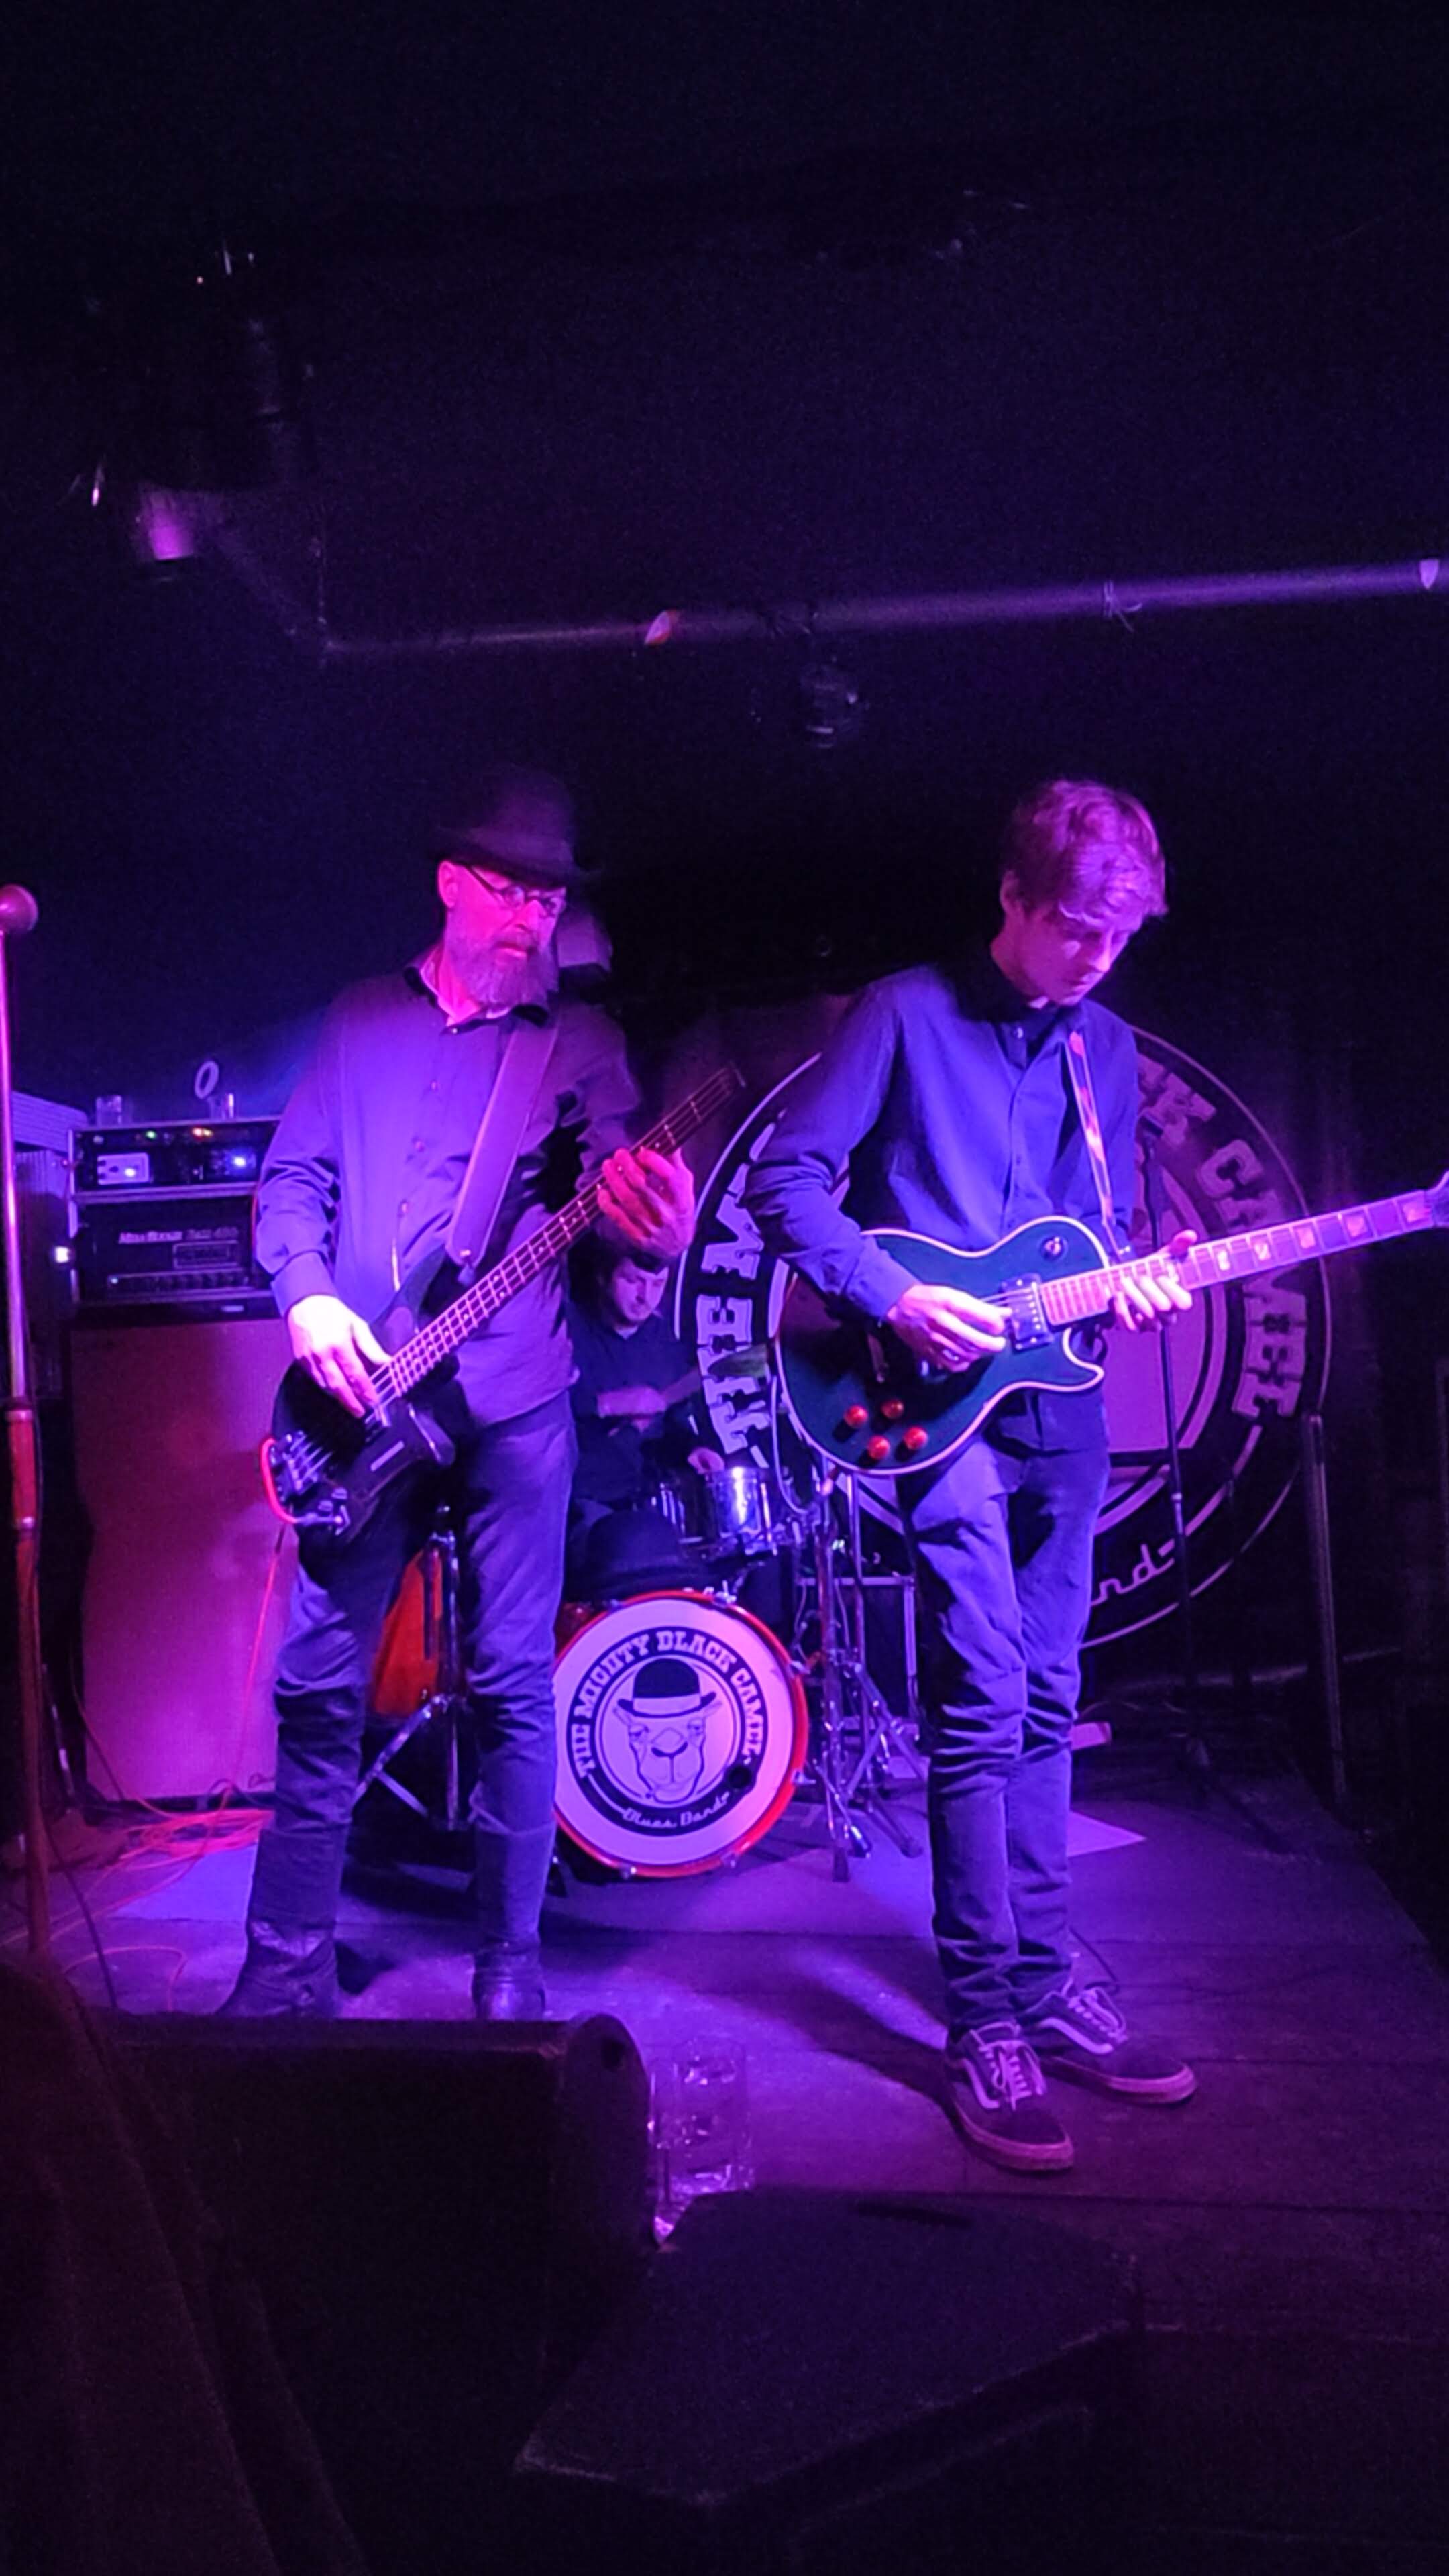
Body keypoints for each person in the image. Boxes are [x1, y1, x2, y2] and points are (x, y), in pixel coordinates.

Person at [747, 780, 1197, 2174]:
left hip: (1059, 1402)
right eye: (1076, 930)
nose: (1096, 960)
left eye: (1119, 940)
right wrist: (889, 1292)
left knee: (1053, 1695)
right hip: (929, 1401)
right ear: (1011, 897)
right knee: (984, 1686)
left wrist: (1135, 1285)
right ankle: (985, 2016)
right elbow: (788, 1183)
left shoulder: (1106, 1047)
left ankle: (1049, 1979)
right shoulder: (901, 1014)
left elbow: (1092, 1232)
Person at [221, 767, 694, 2023]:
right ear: (448, 883)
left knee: (513, 1687)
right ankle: (283, 1968)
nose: (532, 918)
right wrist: (306, 1297)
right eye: (510, 891)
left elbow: (619, 1209)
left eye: (549, 900)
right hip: (367, 1400)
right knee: (319, 1685)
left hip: (515, 1405)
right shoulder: (359, 1020)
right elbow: (291, 1185)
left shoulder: (578, 1045)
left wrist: (654, 1234)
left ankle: (510, 1973)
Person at [564, 1240, 722, 1599]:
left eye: (657, 1285)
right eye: (633, 1281)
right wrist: (606, 1404)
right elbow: (535, 1402)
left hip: (640, 1503)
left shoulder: (664, 1343)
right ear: (604, 1277)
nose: (644, 1297)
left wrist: (690, 1449)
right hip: (577, 1504)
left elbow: (671, 1426)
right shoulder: (566, 1331)